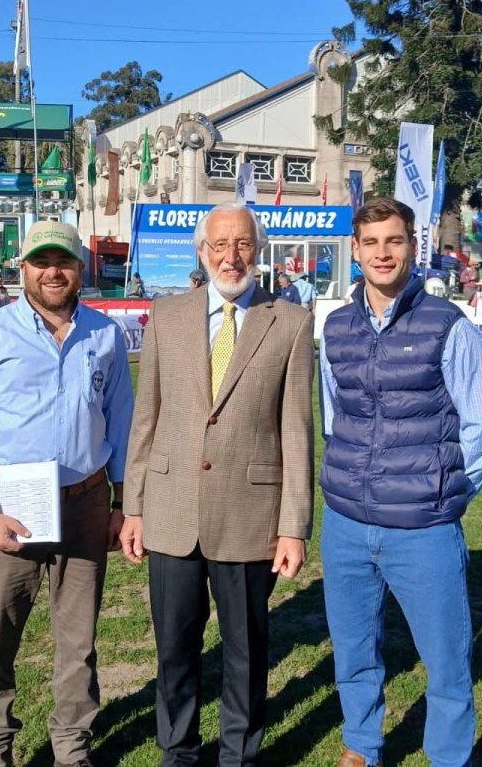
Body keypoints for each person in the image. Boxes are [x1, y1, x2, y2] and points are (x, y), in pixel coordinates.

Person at [119, 202, 315, 767]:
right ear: (202, 252)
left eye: (244, 245)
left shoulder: (291, 322)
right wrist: (133, 507)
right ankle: (177, 751)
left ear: (259, 251)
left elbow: (297, 431)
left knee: (246, 654)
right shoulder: (167, 315)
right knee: (174, 649)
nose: (232, 256)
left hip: (251, 518)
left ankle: (239, 756)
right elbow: (146, 418)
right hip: (170, 510)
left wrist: (293, 527)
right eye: (221, 245)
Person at [319, 196, 482, 767]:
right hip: (347, 524)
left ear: (413, 247)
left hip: (423, 530)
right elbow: (335, 419)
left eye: (394, 241)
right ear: (355, 251)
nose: (383, 253)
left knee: (446, 660)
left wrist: (442, 494)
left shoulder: (448, 327)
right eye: (371, 242)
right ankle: (362, 745)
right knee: (354, 651)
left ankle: (448, 756)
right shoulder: (335, 327)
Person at [0, 220, 134, 767]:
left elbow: (119, 420)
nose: (53, 272)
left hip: (86, 503)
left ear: (81, 268)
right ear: (22, 269)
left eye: (65, 261)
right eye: (41, 262)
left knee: (78, 643)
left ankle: (72, 748)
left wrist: (121, 503)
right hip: (9, 510)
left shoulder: (104, 335)